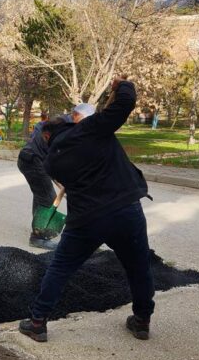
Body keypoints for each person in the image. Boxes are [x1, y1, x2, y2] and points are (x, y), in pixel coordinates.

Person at [19, 78, 154, 343]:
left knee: (60, 268)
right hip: (125, 211)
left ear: (48, 136)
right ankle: (141, 321)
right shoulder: (92, 129)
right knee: (138, 266)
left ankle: (37, 323)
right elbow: (125, 102)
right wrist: (122, 85)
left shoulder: (51, 162)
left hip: (87, 219)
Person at [17, 104, 97, 249]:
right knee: (48, 198)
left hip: (37, 160)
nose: (88, 124)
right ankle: (38, 238)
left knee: (41, 195)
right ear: (77, 115)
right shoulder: (62, 125)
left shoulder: (72, 126)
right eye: (86, 120)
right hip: (32, 160)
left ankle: (39, 225)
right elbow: (41, 129)